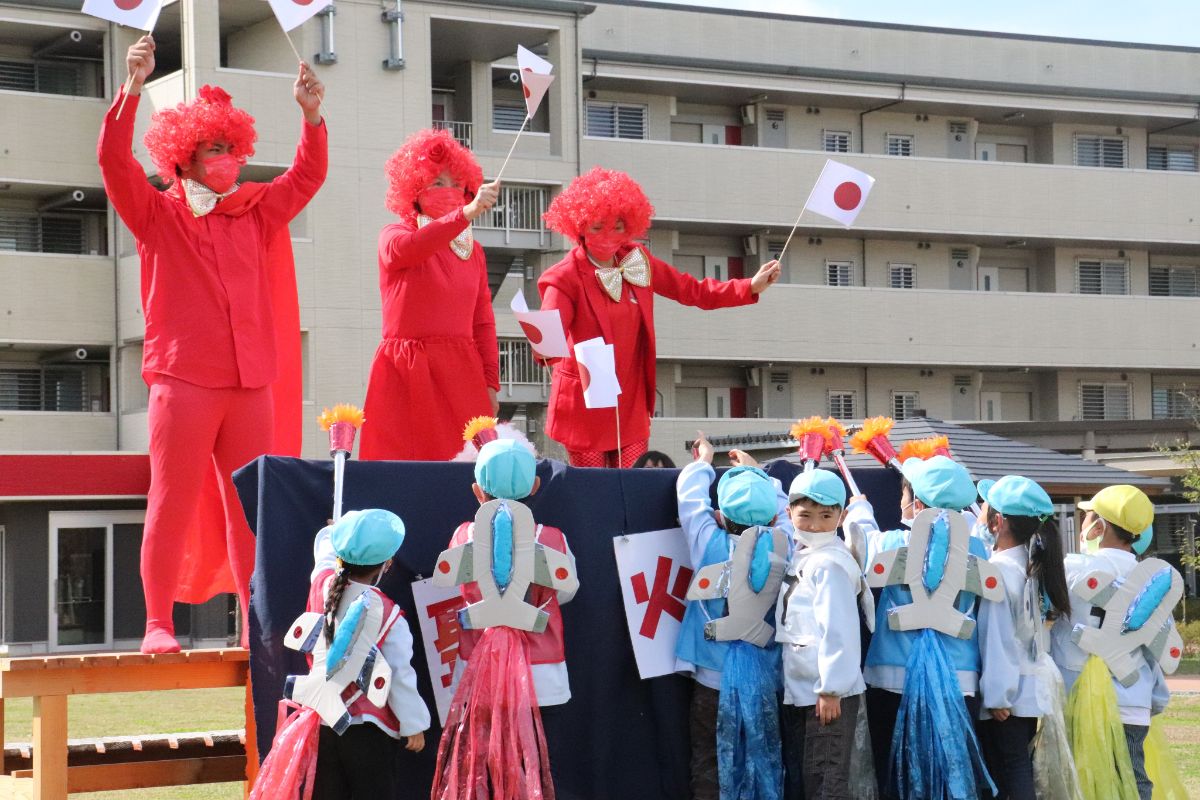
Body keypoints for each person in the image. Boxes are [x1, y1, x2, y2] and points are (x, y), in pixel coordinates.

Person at [99, 35, 327, 653]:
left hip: (250, 382)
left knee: (250, 508)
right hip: (183, 379)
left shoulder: (254, 212)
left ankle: (260, 624)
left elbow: (307, 176)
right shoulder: (157, 216)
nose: (226, 158)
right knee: (171, 500)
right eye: (213, 149)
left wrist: (311, 117)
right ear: (184, 158)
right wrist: (132, 89)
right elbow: (114, 163)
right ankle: (157, 624)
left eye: (231, 147)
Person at [538, 168, 781, 468]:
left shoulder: (637, 261)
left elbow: (691, 290)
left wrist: (748, 286)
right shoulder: (564, 277)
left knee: (636, 483)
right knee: (594, 490)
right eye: (597, 227)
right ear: (579, 227)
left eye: (617, 227)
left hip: (629, 401)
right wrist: (551, 352)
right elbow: (548, 339)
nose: (608, 236)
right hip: (585, 404)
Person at [432, 438, 578, 800]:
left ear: (477, 491)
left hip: (479, 673)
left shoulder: (462, 535)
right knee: (534, 772)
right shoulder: (553, 539)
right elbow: (568, 591)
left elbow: (448, 582)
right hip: (540, 679)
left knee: (480, 771)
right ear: (535, 487)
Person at [250, 509, 430, 800]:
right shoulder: (390, 615)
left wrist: (331, 533)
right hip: (370, 733)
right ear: (388, 564)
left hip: (323, 725)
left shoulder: (321, 583)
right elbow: (399, 675)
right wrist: (414, 724)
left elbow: (323, 554)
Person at [846, 455, 994, 798]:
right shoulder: (981, 550)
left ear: (917, 502)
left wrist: (859, 510)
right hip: (960, 681)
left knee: (894, 774)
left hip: (892, 677)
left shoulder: (893, 542)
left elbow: (862, 544)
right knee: (951, 777)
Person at [360, 129, 501, 461]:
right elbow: (408, 249)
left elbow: (483, 322)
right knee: (401, 468)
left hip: (462, 374)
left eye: (455, 184)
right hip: (407, 372)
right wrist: (464, 216)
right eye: (437, 183)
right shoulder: (394, 234)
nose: (448, 191)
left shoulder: (473, 251)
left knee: (467, 472)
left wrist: (491, 383)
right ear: (413, 191)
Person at [675, 434, 787, 800]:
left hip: (711, 677)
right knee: (764, 756)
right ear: (772, 515)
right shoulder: (786, 545)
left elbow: (690, 502)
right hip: (767, 676)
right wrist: (761, 476)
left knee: (709, 760)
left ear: (720, 515)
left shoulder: (708, 542)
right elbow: (784, 514)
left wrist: (702, 463)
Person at [1051, 485, 1171, 800]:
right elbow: (1158, 648)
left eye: (1087, 516)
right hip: (1134, 700)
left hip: (1077, 696)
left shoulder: (1074, 567)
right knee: (1133, 782)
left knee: (1078, 784)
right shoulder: (1152, 581)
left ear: (1099, 526)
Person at [974, 476, 1075, 800]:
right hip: (1028, 688)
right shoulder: (1028, 568)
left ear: (998, 522)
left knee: (1010, 773)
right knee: (1017, 768)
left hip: (1008, 694)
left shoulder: (1000, 571)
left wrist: (998, 695)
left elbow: (999, 636)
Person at [776, 469, 868, 800]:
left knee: (825, 781)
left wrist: (831, 689)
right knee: (813, 777)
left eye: (826, 515)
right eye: (806, 515)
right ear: (789, 514)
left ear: (841, 515)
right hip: (806, 691)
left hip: (825, 695)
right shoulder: (804, 555)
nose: (815, 524)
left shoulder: (829, 563)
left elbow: (839, 628)